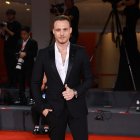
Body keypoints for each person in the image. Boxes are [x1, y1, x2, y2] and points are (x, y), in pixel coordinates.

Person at [31, 15, 93, 140]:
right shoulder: (43, 54)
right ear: (53, 32)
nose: (62, 33)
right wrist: (42, 108)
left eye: (65, 29)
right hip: (53, 110)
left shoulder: (81, 52)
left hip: (77, 109)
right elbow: (34, 83)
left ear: (70, 30)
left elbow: (89, 79)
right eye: (58, 30)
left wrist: (75, 91)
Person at [114, 0, 140, 90]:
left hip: (129, 36)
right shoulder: (132, 9)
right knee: (128, 56)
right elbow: (121, 12)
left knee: (131, 56)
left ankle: (130, 83)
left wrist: (122, 2)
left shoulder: (134, 10)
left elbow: (131, 2)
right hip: (128, 35)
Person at [15, 26, 38, 105]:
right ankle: (21, 98)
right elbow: (15, 52)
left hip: (29, 65)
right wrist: (18, 54)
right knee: (21, 81)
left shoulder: (33, 42)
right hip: (20, 64)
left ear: (28, 33)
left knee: (30, 81)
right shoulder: (19, 42)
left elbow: (34, 53)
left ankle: (32, 98)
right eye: (21, 34)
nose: (23, 36)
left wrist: (26, 54)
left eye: (24, 34)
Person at [2, 9, 21, 88]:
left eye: (10, 14)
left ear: (14, 15)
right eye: (8, 14)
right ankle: (10, 82)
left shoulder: (17, 24)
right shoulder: (6, 24)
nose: (9, 16)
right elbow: (4, 37)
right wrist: (2, 31)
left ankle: (14, 83)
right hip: (6, 48)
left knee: (14, 66)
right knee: (8, 66)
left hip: (14, 48)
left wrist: (6, 29)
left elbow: (15, 35)